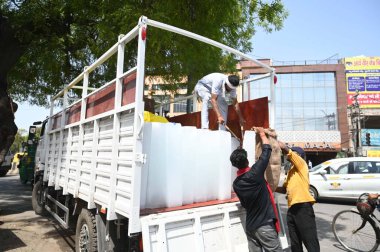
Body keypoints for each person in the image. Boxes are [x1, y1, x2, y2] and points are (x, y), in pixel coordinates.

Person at [230, 127, 282, 252]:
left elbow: (244, 204)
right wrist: (262, 134)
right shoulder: (255, 173)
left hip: (251, 227)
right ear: (247, 160)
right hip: (264, 226)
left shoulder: (236, 184)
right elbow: (266, 151)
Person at [277, 142, 320, 252]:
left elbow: (288, 151)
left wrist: (279, 145)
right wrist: (271, 186)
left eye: (293, 155)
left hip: (303, 208)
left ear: (299, 156)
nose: (287, 157)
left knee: (310, 242)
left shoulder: (302, 164)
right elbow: (284, 189)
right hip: (292, 210)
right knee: (295, 243)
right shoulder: (290, 172)